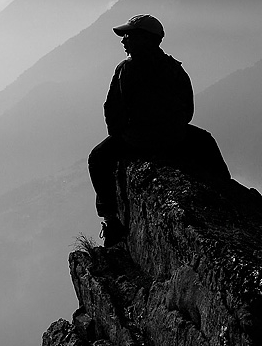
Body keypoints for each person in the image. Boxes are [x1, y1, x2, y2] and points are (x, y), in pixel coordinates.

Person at [88, 14, 228, 246]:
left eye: (128, 36)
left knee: (97, 158)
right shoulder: (174, 68)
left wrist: (125, 135)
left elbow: (114, 113)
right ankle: (227, 193)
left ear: (144, 39)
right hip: (175, 138)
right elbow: (188, 109)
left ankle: (111, 221)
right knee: (206, 142)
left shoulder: (126, 70)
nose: (124, 41)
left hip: (137, 140)